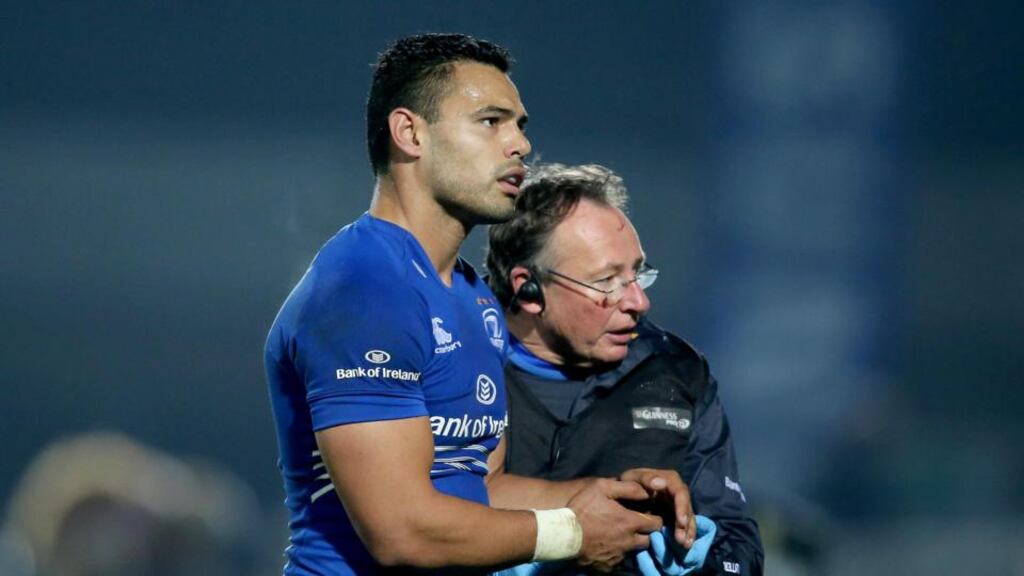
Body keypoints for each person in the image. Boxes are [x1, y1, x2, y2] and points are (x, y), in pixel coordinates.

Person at [264, 34, 697, 575]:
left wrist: (604, 501)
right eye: (491, 122)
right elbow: (401, 531)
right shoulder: (365, 289)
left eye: (520, 125)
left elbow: (479, 487)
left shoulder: (476, 301)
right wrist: (572, 531)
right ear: (409, 133)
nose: (518, 145)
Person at [485, 163, 765, 575]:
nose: (638, 301)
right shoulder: (456, 361)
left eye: (637, 274)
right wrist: (567, 533)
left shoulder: (677, 374)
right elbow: (418, 519)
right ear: (528, 289)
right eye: (608, 282)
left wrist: (688, 543)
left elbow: (741, 552)